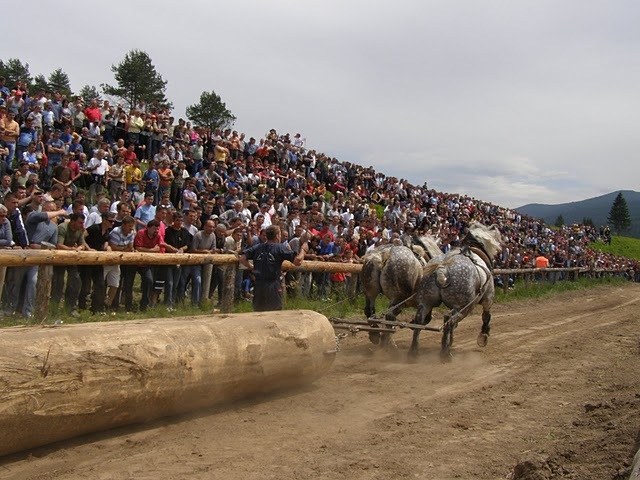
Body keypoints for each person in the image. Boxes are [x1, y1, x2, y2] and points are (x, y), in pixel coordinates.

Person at [238, 225, 308, 311]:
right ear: (277, 235)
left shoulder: (258, 247)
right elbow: (298, 261)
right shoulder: (280, 248)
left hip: (259, 285)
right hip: (273, 285)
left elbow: (242, 258)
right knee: (275, 313)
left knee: (259, 313)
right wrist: (303, 250)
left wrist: (252, 267)